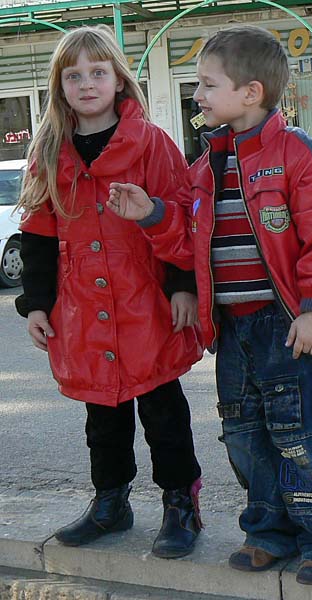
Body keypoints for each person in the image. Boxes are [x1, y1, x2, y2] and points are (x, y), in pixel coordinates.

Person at [106, 26, 312, 586]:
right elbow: (187, 242)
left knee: (302, 434)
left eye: (206, 84)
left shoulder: (299, 153)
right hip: (232, 328)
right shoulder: (207, 167)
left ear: (251, 92)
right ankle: (269, 531)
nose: (197, 94)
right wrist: (151, 213)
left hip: (289, 323)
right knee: (245, 434)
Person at [14, 24, 204, 559]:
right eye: (73, 75)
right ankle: (110, 501)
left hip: (145, 300)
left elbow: (179, 218)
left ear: (119, 80)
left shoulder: (152, 144)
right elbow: (38, 234)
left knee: (163, 409)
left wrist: (182, 285)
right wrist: (35, 304)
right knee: (102, 415)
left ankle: (180, 502)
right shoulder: (48, 151)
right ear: (60, 86)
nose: (87, 83)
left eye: (98, 72)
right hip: (81, 306)